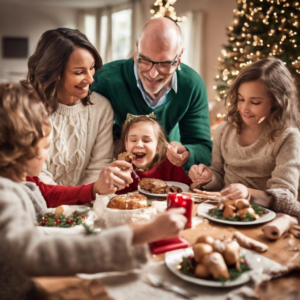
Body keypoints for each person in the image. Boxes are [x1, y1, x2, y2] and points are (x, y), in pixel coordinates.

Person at [0, 83, 187, 300]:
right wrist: (139, 235)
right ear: (20, 148)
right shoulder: (5, 196)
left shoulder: (18, 185)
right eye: (44, 146)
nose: (47, 154)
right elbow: (37, 253)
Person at [93, 17, 212, 172]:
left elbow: (203, 147)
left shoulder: (192, 85)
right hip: (115, 172)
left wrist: (189, 154)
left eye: (164, 64)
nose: (153, 74)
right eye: (145, 60)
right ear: (136, 50)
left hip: (169, 173)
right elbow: (90, 140)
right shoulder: (104, 80)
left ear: (179, 58)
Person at [189, 58, 300, 222]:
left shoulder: (287, 136)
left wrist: (247, 194)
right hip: (225, 213)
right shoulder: (225, 129)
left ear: (276, 102)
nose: (244, 108)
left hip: (265, 218)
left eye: (255, 102)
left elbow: (285, 197)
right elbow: (219, 173)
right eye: (241, 99)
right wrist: (208, 177)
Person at [23, 28, 114, 186]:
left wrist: (83, 205)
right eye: (79, 72)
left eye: (92, 68)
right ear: (56, 72)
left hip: (86, 205)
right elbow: (36, 174)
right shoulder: (27, 109)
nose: (90, 79)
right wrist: (66, 206)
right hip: (37, 203)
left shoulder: (102, 108)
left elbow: (99, 166)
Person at [116, 114, 192, 194]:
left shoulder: (171, 164)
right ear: (126, 144)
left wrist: (197, 183)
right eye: (133, 140)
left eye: (146, 141)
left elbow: (187, 188)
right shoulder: (122, 169)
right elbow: (117, 195)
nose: (138, 145)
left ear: (158, 147)